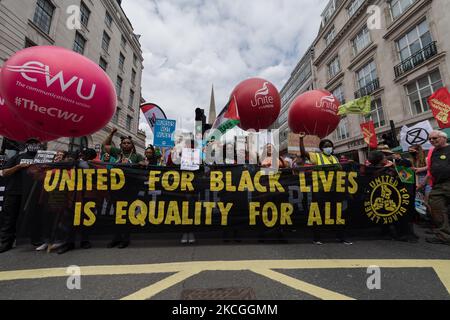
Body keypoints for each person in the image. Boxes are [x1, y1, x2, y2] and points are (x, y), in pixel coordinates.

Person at [0, 139, 41, 253]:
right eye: (31, 144)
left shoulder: (42, 158)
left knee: (34, 217)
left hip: (33, 193)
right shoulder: (17, 157)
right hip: (15, 192)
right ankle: (6, 242)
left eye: (36, 144)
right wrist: (18, 166)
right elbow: (3, 173)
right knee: (10, 217)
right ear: (27, 145)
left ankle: (35, 239)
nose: (34, 146)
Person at [425, 131, 450, 245]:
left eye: (434, 138)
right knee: (436, 207)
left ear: (444, 138)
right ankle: (444, 236)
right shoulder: (433, 151)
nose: (431, 141)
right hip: (438, 185)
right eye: (429, 139)